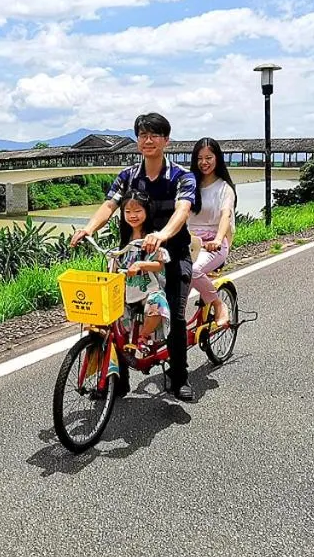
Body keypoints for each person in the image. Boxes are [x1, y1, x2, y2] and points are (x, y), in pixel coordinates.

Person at [71, 112, 198, 401]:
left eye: (154, 135)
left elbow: (183, 210)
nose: (148, 140)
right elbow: (109, 205)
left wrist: (162, 234)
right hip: (130, 256)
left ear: (166, 140)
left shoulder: (181, 176)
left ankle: (179, 378)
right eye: (143, 135)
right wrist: (88, 228)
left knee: (176, 316)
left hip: (172, 254)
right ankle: (120, 380)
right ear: (137, 140)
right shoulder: (127, 176)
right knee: (115, 315)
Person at [188, 137, 237, 329]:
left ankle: (218, 304)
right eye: (200, 158)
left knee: (193, 270)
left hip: (213, 245)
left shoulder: (225, 189)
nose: (204, 162)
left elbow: (225, 216)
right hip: (190, 243)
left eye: (209, 157)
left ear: (217, 158)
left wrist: (217, 238)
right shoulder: (189, 185)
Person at [114, 191, 170, 347]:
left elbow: (160, 264)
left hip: (148, 287)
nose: (133, 215)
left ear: (147, 211)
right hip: (128, 288)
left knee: (157, 303)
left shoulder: (152, 238)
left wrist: (140, 265)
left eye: (138, 211)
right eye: (128, 212)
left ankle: (144, 335)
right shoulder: (125, 238)